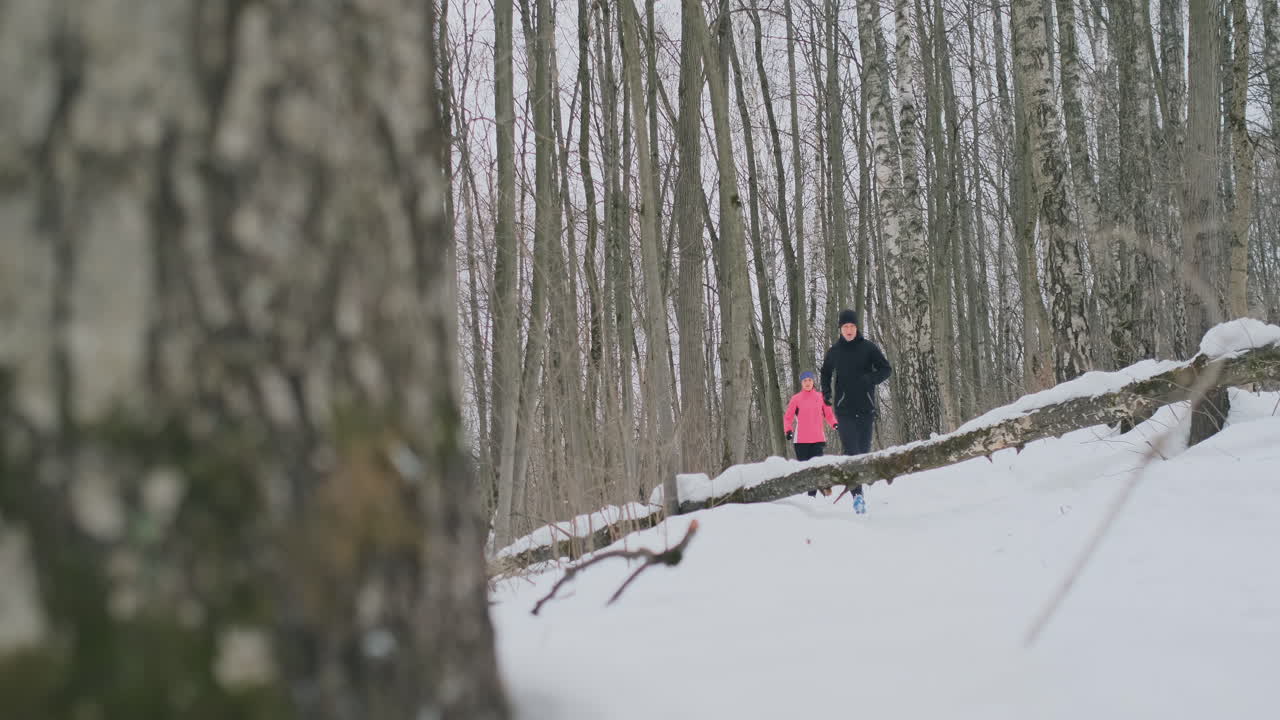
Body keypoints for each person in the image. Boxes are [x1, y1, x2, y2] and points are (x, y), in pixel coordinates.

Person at [820, 309, 892, 514]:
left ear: (857, 328)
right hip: (844, 411)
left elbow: (886, 369)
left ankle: (858, 487)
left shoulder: (868, 348)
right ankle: (857, 497)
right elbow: (825, 373)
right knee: (852, 453)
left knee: (862, 453)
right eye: (845, 327)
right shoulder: (834, 351)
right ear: (840, 329)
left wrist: (870, 379)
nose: (849, 330)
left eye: (852, 326)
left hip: (866, 409)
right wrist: (826, 393)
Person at [783, 371, 840, 497]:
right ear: (801, 383)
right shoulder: (796, 399)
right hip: (801, 441)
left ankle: (812, 496)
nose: (807, 383)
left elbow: (829, 415)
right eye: (805, 381)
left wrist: (835, 424)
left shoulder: (821, 397)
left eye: (809, 380)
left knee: (816, 468)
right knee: (804, 470)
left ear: (813, 381)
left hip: (818, 439)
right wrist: (788, 430)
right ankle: (807, 496)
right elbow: (788, 417)